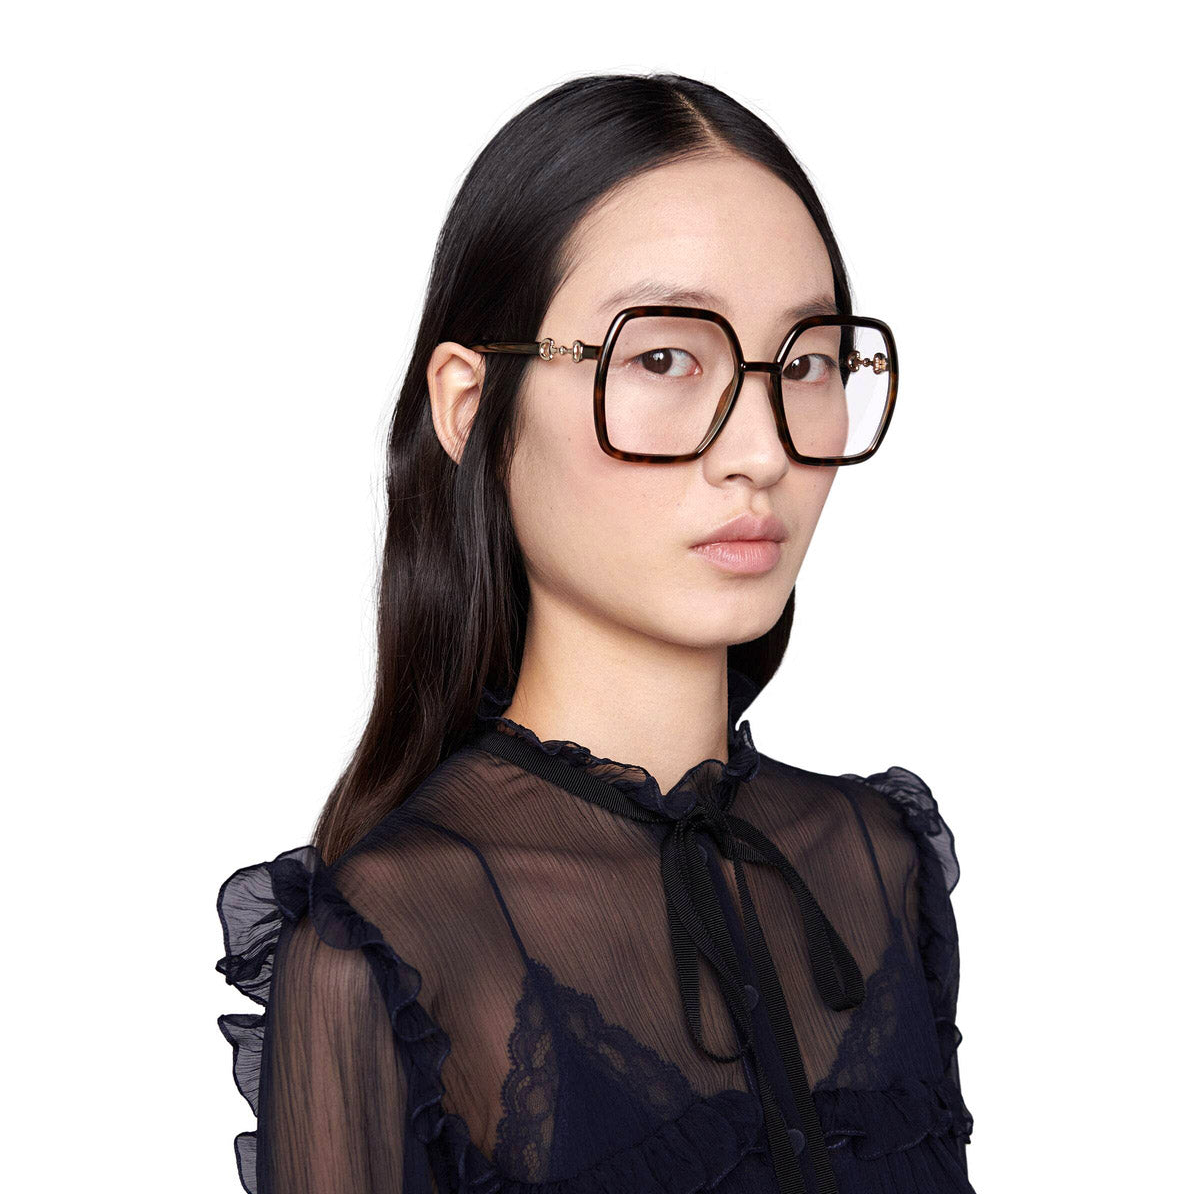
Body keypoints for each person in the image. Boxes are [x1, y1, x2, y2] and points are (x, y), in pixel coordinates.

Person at [214, 72, 974, 1194]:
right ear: (470, 407)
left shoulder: (878, 863)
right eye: (663, 359)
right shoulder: (394, 942)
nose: (761, 450)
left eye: (807, 363)